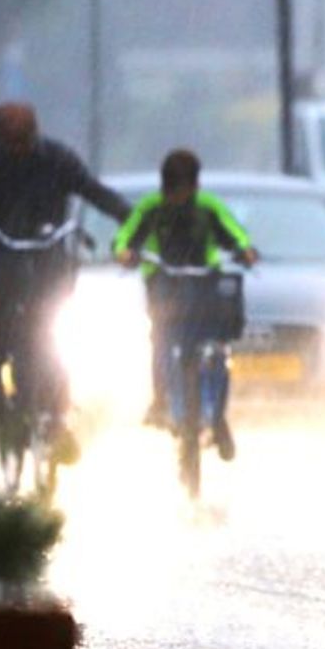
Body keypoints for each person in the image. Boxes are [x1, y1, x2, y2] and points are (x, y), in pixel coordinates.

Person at [0, 102, 131, 460]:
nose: (18, 151)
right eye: (10, 145)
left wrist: (129, 219)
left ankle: (57, 414)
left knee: (49, 330)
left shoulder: (57, 159)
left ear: (34, 136)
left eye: (23, 143)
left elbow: (95, 192)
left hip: (47, 258)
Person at [113, 148, 257, 460]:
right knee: (162, 340)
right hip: (164, 283)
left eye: (180, 191)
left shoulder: (208, 207)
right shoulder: (151, 208)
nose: (175, 198)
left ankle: (217, 417)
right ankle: (161, 400)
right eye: (170, 191)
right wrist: (124, 252)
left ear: (194, 187)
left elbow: (234, 234)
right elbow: (126, 237)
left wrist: (245, 250)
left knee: (217, 345)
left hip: (203, 282)